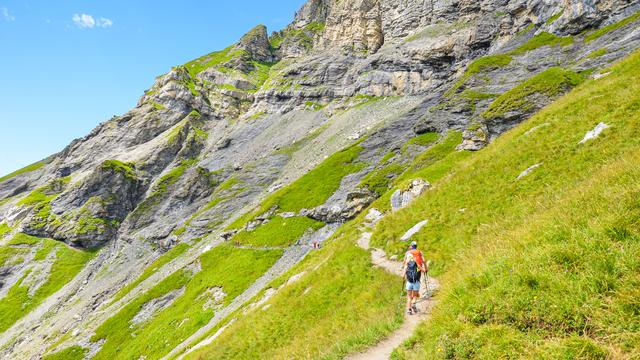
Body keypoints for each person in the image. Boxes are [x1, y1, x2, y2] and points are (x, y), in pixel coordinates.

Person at [402, 241, 427, 315]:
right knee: (415, 295)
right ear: (416, 246)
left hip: (409, 279)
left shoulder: (407, 253)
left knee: (409, 296)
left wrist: (403, 275)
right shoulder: (420, 252)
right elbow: (424, 261)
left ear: (411, 246)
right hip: (417, 275)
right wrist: (425, 269)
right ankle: (414, 303)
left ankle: (409, 310)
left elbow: (404, 263)